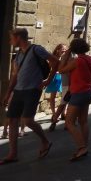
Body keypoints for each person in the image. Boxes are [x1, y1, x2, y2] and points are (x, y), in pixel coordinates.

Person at [1, 28, 59, 165]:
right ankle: (13, 154)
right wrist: (8, 93)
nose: (10, 41)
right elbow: (15, 76)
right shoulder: (18, 55)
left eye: (11, 38)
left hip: (32, 90)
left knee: (27, 120)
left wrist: (48, 81)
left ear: (18, 38)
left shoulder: (36, 49)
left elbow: (55, 61)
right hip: (18, 91)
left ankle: (45, 141)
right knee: (12, 121)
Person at [58, 38, 91, 161]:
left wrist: (67, 53)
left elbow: (61, 70)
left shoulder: (76, 61)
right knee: (83, 121)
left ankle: (81, 147)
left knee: (69, 122)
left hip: (78, 93)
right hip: (88, 92)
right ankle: (85, 145)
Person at [44, 45, 65, 119]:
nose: (64, 50)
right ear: (57, 50)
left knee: (64, 96)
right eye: (63, 49)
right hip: (55, 78)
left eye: (65, 49)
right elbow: (49, 68)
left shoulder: (65, 58)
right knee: (53, 96)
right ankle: (54, 113)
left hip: (63, 77)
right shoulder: (53, 58)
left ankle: (63, 113)